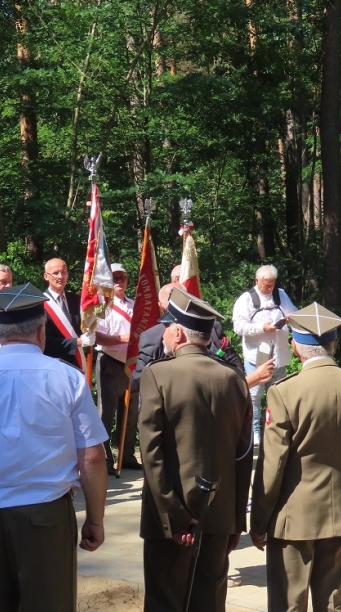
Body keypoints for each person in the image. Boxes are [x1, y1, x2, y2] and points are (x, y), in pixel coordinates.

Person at [0, 283, 109, 612]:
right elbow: (92, 457)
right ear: (41, 332)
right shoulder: (68, 378)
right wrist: (95, 519)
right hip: (45, 515)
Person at [250, 303, 341, 612]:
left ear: (296, 347)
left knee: (289, 603)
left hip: (293, 517)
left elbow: (272, 466)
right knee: (333, 604)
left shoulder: (284, 391)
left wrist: (259, 520)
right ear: (333, 344)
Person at [139, 288, 254, 612]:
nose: (163, 333)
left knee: (165, 601)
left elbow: (151, 453)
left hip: (170, 515)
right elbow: (243, 455)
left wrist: (175, 516)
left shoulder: (158, 374)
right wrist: (235, 520)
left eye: (166, 327)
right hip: (220, 515)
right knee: (210, 601)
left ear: (177, 332)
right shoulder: (234, 379)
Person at [132, 283, 275, 395]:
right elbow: (141, 381)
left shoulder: (213, 329)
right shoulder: (151, 339)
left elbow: (234, 365)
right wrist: (254, 378)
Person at [232, 265, 297, 445]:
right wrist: (262, 328)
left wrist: (290, 318)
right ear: (257, 281)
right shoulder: (246, 299)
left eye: (272, 284)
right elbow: (238, 327)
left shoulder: (280, 295)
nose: (270, 288)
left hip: (279, 356)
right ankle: (254, 432)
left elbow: (294, 313)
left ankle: (276, 429)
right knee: (254, 396)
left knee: (278, 395)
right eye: (266, 285)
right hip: (257, 358)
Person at [93, 262, 137, 472]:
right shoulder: (101, 305)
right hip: (110, 361)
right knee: (106, 413)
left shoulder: (135, 304)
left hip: (132, 364)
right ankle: (105, 459)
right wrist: (122, 338)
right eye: (115, 277)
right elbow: (96, 336)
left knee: (130, 413)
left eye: (122, 277)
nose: (119, 281)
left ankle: (126, 456)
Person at [41, 258, 82, 369]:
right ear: (46, 276)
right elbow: (43, 339)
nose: (60, 276)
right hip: (53, 363)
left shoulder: (76, 300)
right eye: (55, 273)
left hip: (77, 362)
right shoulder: (39, 303)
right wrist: (76, 343)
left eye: (63, 272)